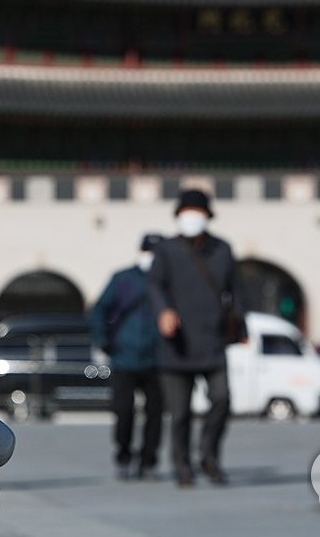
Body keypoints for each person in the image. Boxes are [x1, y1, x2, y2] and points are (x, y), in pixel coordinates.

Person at [148, 189, 242, 487]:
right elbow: (154, 285)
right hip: (176, 344)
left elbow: (236, 292)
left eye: (197, 212)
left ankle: (209, 455)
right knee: (180, 414)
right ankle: (182, 466)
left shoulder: (222, 250)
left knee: (222, 399)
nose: (191, 217)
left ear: (207, 216)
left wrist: (241, 329)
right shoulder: (166, 250)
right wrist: (164, 311)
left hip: (212, 340)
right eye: (186, 211)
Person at [88, 233, 165, 480]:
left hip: (157, 358)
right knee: (124, 411)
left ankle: (149, 460)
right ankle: (123, 456)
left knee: (155, 413)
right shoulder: (123, 279)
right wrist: (103, 340)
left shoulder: (167, 280)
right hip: (124, 357)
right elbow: (99, 309)